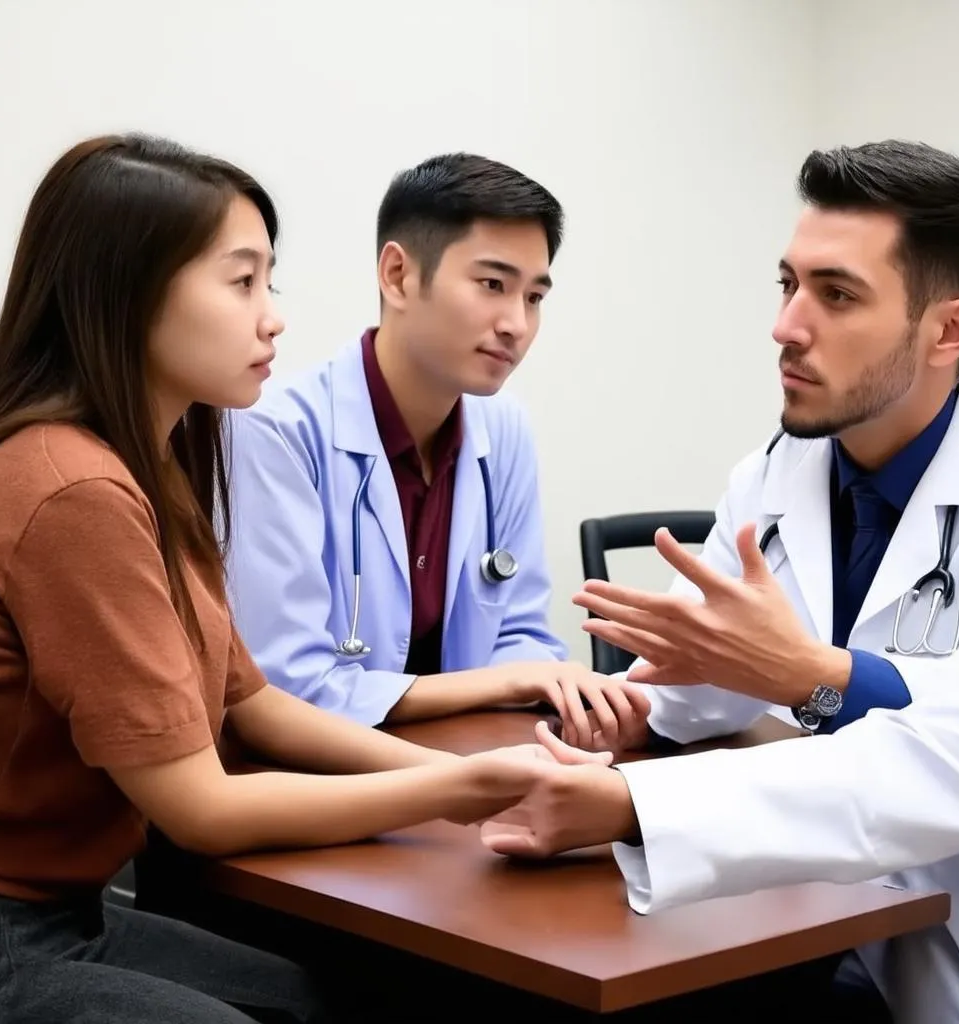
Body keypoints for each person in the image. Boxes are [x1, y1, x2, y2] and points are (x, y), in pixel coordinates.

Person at [0, 134, 610, 1024]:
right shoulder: (72, 487)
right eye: (243, 284)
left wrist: (485, 772)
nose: (273, 316)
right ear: (126, 293)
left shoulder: (153, 465)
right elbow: (198, 808)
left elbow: (255, 702)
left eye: (267, 282)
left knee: (344, 997)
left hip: (63, 912)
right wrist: (461, 789)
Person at [479, 140, 959, 1024]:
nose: (787, 326)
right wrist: (637, 707)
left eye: (835, 296)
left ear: (949, 330)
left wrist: (636, 801)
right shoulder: (775, 475)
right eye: (787, 284)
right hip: (832, 924)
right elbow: (706, 682)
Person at [225, 152, 650, 743]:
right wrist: (508, 683)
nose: (516, 325)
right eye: (493, 284)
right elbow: (289, 686)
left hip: (464, 764)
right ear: (398, 275)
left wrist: (542, 684)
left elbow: (523, 632)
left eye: (534, 298)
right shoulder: (276, 431)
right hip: (311, 780)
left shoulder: (502, 428)